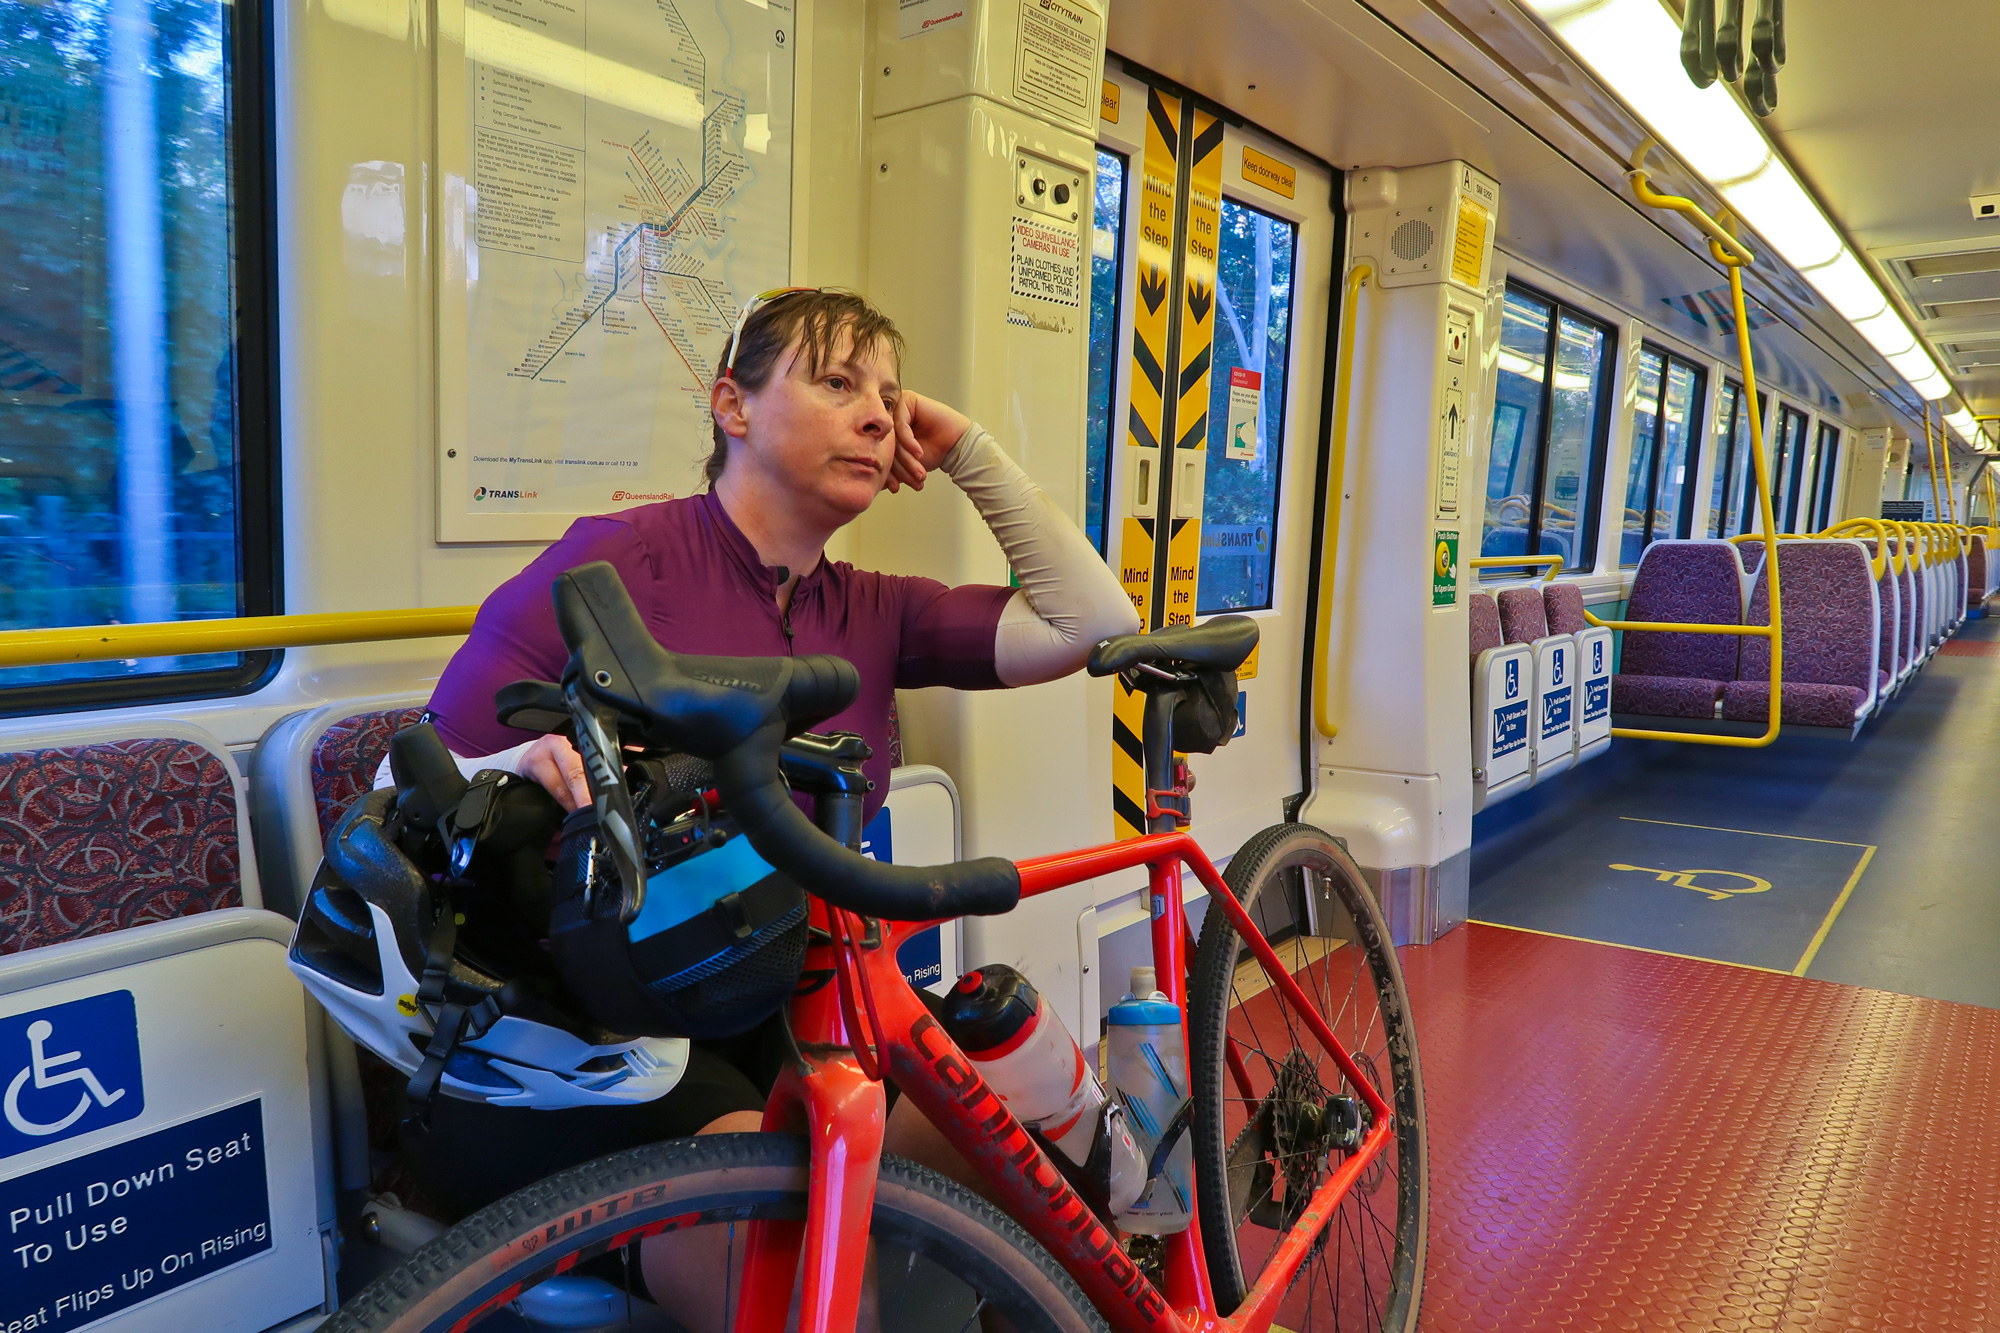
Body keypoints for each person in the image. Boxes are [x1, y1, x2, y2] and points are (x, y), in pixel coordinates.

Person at [383, 288, 1137, 1316]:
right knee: (792, 1232)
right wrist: (523, 762)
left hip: (785, 997)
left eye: (891, 400)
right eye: (836, 383)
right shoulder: (616, 566)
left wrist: (965, 448)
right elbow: (409, 782)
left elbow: (1089, 619)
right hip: (590, 1029)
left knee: (1033, 1120)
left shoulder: (873, 608)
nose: (876, 417)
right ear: (731, 405)